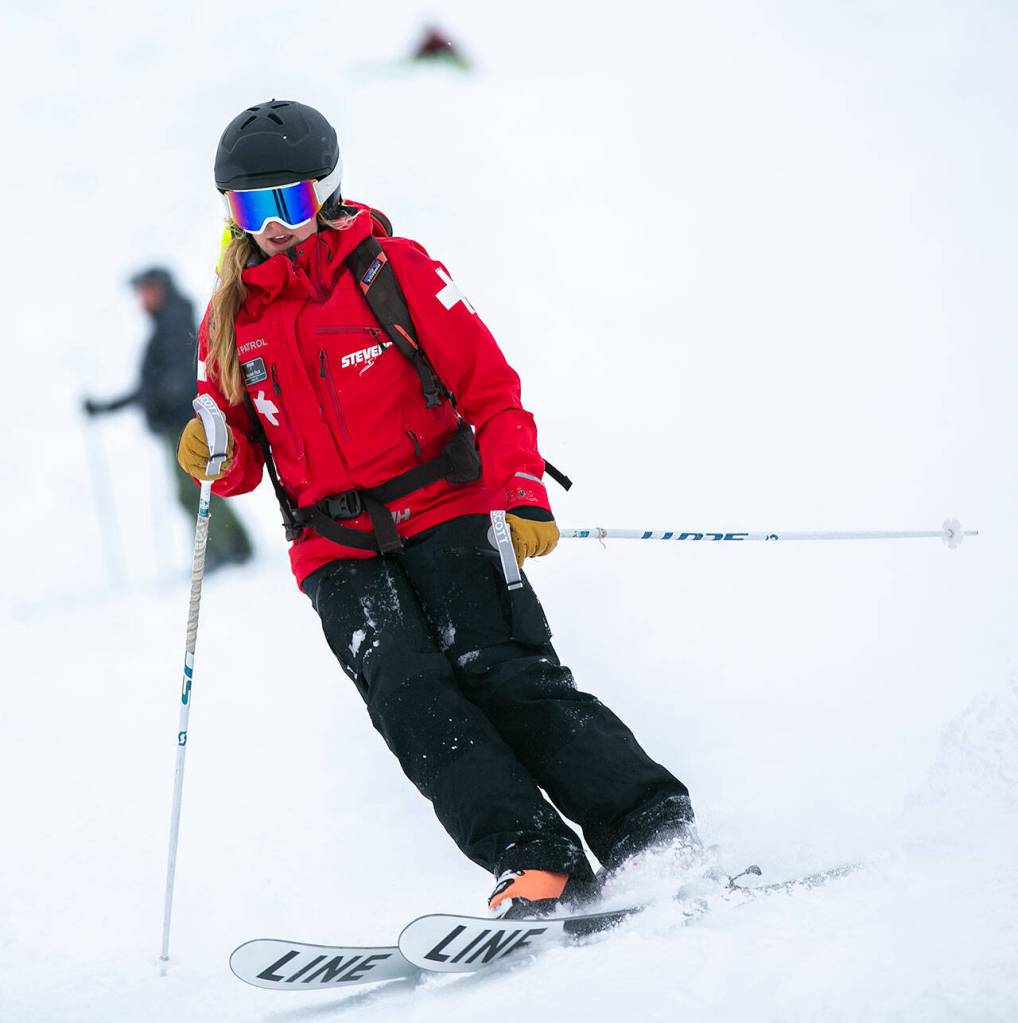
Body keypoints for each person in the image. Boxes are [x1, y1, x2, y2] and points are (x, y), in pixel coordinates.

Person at [177, 99, 695, 918]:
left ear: (328, 191)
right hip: (336, 546)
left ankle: (647, 826)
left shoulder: (392, 271)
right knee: (414, 703)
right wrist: (215, 452)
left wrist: (520, 489)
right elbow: (241, 456)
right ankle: (538, 860)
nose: (272, 226)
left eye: (290, 201)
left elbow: (491, 389)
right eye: (251, 208)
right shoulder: (229, 320)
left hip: (445, 508)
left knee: (504, 673)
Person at [84, 268, 253, 572]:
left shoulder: (174, 323)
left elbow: (181, 376)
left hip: (185, 424)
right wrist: (108, 408)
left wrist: (162, 400)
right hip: (180, 423)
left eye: (146, 290)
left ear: (161, 288)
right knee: (199, 487)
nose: (142, 299)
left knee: (194, 490)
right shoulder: (167, 324)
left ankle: (223, 549)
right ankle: (235, 545)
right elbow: (151, 386)